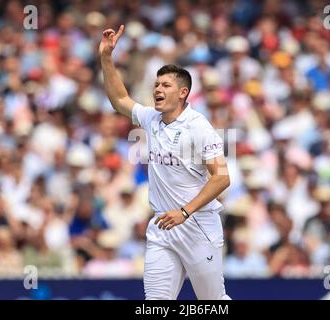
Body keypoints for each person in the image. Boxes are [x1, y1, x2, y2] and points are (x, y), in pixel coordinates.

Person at [99, 25, 231, 300]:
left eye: (165, 85)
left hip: (197, 227)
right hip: (162, 228)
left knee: (213, 303)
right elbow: (119, 99)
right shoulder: (151, 118)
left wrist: (184, 212)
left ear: (183, 93)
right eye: (156, 84)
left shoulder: (199, 127)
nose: (157, 89)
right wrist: (107, 58)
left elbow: (221, 178)